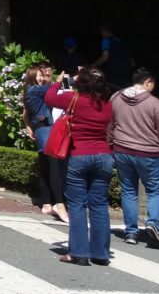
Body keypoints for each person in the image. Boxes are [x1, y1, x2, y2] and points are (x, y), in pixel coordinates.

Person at [45, 67, 114, 266]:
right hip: (103, 156)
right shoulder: (107, 104)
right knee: (99, 205)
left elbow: (49, 97)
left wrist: (58, 81)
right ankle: (101, 254)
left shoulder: (72, 98)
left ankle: (78, 252)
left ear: (80, 83)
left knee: (77, 205)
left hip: (78, 154)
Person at [108, 68, 159, 248]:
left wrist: (111, 143)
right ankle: (152, 223)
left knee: (128, 191)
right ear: (148, 81)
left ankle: (131, 232)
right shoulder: (154, 103)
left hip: (122, 149)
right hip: (149, 152)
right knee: (155, 190)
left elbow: (110, 125)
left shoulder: (116, 98)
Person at [23, 63, 67, 223]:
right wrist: (60, 80)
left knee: (45, 168)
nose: (42, 78)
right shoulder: (35, 89)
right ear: (32, 77)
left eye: (42, 75)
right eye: (39, 76)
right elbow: (53, 88)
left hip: (42, 129)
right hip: (45, 129)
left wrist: (28, 127)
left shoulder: (31, 90)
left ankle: (46, 203)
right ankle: (59, 204)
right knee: (53, 166)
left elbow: (25, 114)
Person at [92, 23, 133, 89]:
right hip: (126, 71)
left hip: (114, 72)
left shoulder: (106, 40)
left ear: (104, 31)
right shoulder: (120, 40)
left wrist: (92, 65)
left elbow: (105, 57)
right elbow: (130, 58)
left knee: (111, 89)